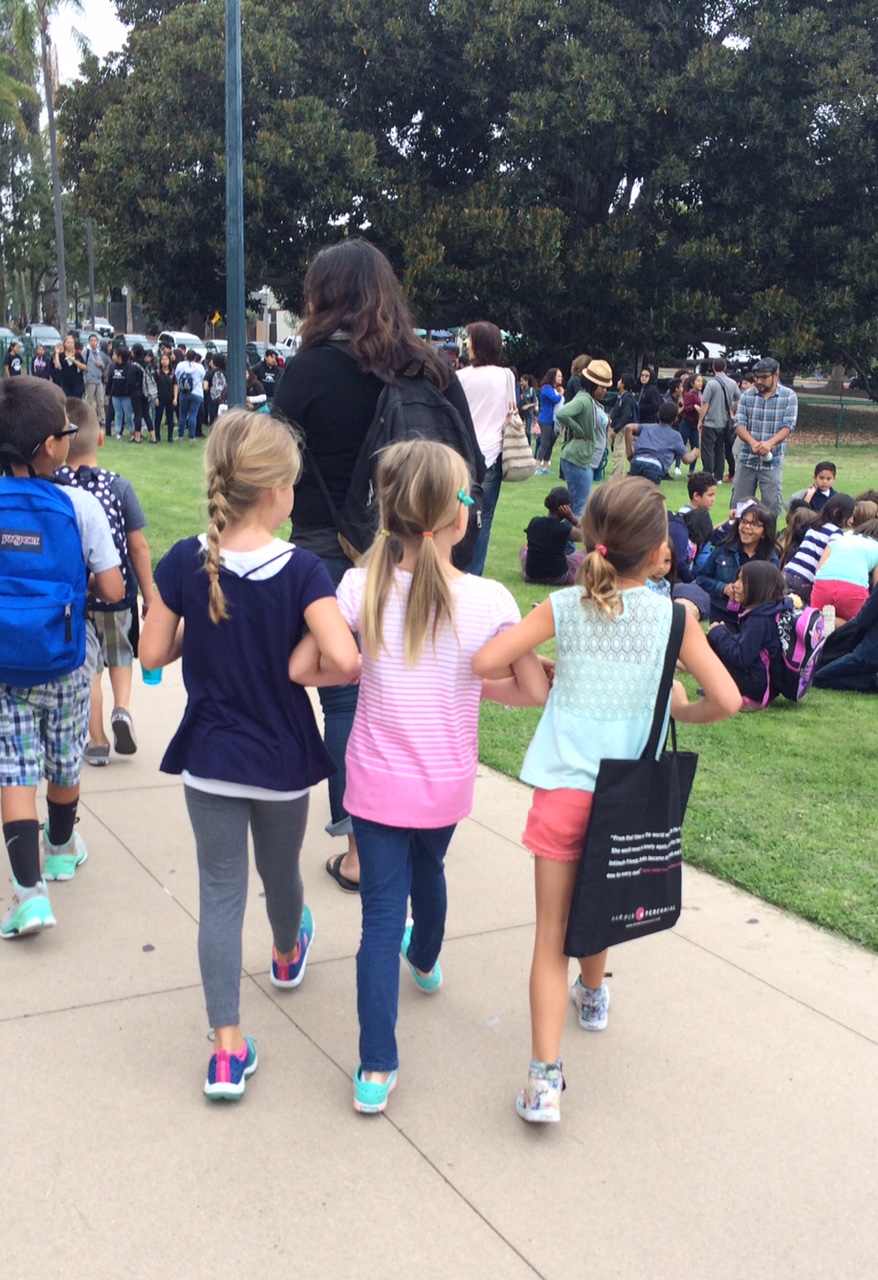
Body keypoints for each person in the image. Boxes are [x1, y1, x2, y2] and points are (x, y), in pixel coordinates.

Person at [288, 440, 547, 1114]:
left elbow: (307, 668)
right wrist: (474, 684)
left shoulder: (358, 588)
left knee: (379, 920)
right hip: (446, 783)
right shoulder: (490, 600)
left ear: (388, 514)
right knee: (430, 871)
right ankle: (426, 959)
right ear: (461, 517)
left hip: (374, 783)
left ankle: (376, 1067)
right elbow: (527, 690)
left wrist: (357, 671)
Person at [472, 477, 740, 1123]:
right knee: (605, 899)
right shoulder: (676, 618)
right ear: (656, 551)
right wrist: (679, 707)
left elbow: (486, 661)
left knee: (549, 938)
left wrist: (542, 671)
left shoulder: (563, 606)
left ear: (594, 538)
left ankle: (543, 1082)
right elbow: (728, 700)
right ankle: (593, 994)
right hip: (627, 798)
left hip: (563, 791)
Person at [139, 411, 359, 1100]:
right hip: (282, 761)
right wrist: (301, 656)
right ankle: (288, 952)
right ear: (275, 493)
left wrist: (196, 629)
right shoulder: (302, 570)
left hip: (208, 758)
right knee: (280, 872)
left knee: (220, 893)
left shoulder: (185, 560)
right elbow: (345, 658)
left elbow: (151, 654)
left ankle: (227, 1050)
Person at [271, 237, 480, 893]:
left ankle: (363, 848)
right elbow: (469, 465)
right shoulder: (432, 370)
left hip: (329, 546)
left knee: (344, 695)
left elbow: (278, 464)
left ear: (322, 296)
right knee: (416, 688)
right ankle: (420, 824)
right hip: (420, 547)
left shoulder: (307, 372)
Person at [0, 377, 123, 939]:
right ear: (52, 445)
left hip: (6, 664)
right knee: (64, 757)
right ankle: (61, 847)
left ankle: (29, 896)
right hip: (68, 657)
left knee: (13, 768)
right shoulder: (79, 505)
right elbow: (113, 589)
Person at [58, 398, 155, 766]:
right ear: (100, 438)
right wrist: (149, 595)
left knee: (90, 670)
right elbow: (138, 545)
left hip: (77, 596)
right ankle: (123, 710)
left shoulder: (55, 487)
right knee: (120, 655)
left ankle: (96, 742)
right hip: (118, 592)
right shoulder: (119, 487)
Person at [457, 322, 515, 576]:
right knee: (484, 520)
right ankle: (474, 576)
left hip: (462, 453)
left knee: (454, 515)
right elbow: (510, 412)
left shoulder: (459, 378)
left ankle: (453, 571)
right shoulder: (506, 376)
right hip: (492, 455)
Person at [707, 562, 792, 707]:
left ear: (760, 586)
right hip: (769, 682)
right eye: (737, 579)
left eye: (743, 581)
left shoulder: (759, 619)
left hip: (757, 686)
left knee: (715, 643)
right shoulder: (773, 610)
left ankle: (736, 694)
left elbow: (740, 657)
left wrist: (719, 633)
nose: (735, 585)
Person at [731, 357, 797, 515]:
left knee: (771, 509)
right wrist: (753, 443)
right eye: (757, 377)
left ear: (776, 375)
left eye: (764, 377)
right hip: (747, 460)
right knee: (739, 508)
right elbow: (739, 424)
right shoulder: (747, 396)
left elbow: (788, 426)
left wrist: (769, 443)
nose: (759, 381)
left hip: (772, 462)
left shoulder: (789, 396)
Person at [696, 502, 779, 623]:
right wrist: (723, 588)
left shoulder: (769, 560)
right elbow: (701, 578)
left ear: (764, 532)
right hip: (722, 613)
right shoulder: (724, 550)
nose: (747, 527)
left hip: (754, 618)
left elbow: (774, 594)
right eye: (744, 521)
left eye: (754, 524)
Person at [554, 358, 613, 515]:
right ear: (592, 384)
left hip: (582, 460)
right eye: (602, 387)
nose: (605, 391)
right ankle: (571, 532)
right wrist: (579, 430)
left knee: (575, 508)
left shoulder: (591, 401)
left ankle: (564, 531)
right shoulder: (584, 400)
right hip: (579, 460)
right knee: (579, 510)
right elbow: (562, 413)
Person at [782, 494, 855, 604]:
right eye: (850, 515)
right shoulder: (836, 533)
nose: (852, 520)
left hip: (789, 572)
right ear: (837, 513)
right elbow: (827, 560)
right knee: (805, 609)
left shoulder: (815, 525)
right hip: (806, 579)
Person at [813, 583, 878, 693]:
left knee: (817, 678)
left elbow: (863, 619)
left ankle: (873, 682)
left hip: (868, 654)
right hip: (869, 653)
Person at [811, 519, 878, 622]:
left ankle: (824, 623)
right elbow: (876, 587)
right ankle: (833, 624)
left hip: (823, 583)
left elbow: (819, 569)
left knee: (815, 621)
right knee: (856, 625)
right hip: (853, 588)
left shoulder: (841, 539)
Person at [520, 485, 585, 584]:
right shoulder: (563, 529)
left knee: (524, 549)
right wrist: (572, 518)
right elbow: (587, 534)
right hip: (558, 577)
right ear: (568, 507)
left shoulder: (534, 522)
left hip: (531, 576)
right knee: (584, 554)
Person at [626, 399, 699, 483]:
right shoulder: (675, 436)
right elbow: (687, 460)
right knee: (649, 491)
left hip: (637, 462)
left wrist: (629, 453)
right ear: (675, 419)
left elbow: (629, 427)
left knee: (635, 489)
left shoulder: (647, 427)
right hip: (655, 466)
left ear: (658, 415)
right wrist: (694, 453)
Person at [697, 358, 739, 482]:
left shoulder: (711, 384)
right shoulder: (732, 383)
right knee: (720, 449)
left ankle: (708, 474)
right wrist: (731, 409)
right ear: (725, 368)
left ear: (713, 368)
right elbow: (739, 398)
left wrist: (700, 420)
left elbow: (705, 404)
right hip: (724, 422)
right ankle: (718, 476)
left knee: (708, 450)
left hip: (711, 422)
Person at [677, 471, 719, 555]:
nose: (713, 499)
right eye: (710, 495)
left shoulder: (684, 514)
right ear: (696, 496)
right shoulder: (689, 519)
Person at [608, 372, 638, 478]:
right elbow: (608, 402)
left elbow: (625, 416)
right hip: (620, 428)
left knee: (619, 452)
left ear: (623, 384)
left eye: (620, 380)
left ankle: (617, 476)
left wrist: (616, 430)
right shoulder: (620, 397)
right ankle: (618, 474)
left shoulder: (627, 398)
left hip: (623, 429)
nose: (618, 382)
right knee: (617, 452)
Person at [534, 368, 564, 469]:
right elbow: (555, 400)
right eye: (558, 376)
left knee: (550, 443)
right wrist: (560, 394)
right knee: (545, 443)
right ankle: (537, 466)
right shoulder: (546, 388)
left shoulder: (552, 389)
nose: (561, 378)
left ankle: (545, 466)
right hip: (545, 419)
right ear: (553, 377)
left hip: (552, 419)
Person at [175, 348, 205, 440]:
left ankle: (180, 435)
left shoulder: (180, 365)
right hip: (197, 392)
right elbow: (203, 378)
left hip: (184, 392)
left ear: (186, 356)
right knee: (193, 414)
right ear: (195, 357)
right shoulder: (200, 367)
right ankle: (191, 436)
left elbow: (177, 376)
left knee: (183, 414)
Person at [108, 345, 136, 441]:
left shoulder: (129, 367)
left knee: (128, 415)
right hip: (115, 395)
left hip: (126, 396)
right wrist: (108, 392)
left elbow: (131, 382)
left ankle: (133, 433)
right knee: (118, 414)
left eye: (114, 355)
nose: (113, 356)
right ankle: (118, 433)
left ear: (119, 357)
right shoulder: (112, 367)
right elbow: (110, 380)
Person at [678, 374, 703, 475]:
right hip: (686, 423)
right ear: (692, 383)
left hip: (695, 424)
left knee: (695, 447)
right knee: (681, 445)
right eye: (698, 381)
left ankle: (691, 470)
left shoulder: (700, 395)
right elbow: (685, 409)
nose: (700, 383)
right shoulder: (689, 394)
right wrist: (694, 406)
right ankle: (677, 466)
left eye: (701, 381)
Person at [83, 334, 111, 420]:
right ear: (89, 342)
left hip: (99, 380)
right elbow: (83, 365)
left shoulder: (98, 352)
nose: (93, 342)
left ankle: (102, 418)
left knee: (100, 401)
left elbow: (103, 365)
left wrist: (101, 364)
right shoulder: (86, 352)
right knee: (89, 400)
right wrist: (85, 378)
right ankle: (86, 418)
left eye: (95, 341)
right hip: (90, 379)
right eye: (91, 340)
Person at [155, 350, 177, 442]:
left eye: (166, 359)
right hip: (160, 398)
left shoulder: (172, 373)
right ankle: (157, 436)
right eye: (162, 359)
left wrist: (175, 398)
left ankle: (170, 437)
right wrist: (155, 397)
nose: (164, 361)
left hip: (170, 398)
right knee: (158, 418)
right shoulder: (157, 373)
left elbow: (175, 386)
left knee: (170, 418)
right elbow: (154, 386)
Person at [518, 373, 538, 446]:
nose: (521, 383)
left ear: (527, 381)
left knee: (528, 432)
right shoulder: (520, 390)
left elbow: (535, 403)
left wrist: (528, 406)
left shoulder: (531, 390)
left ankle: (528, 445)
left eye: (522, 381)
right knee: (519, 430)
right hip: (521, 413)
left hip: (529, 413)